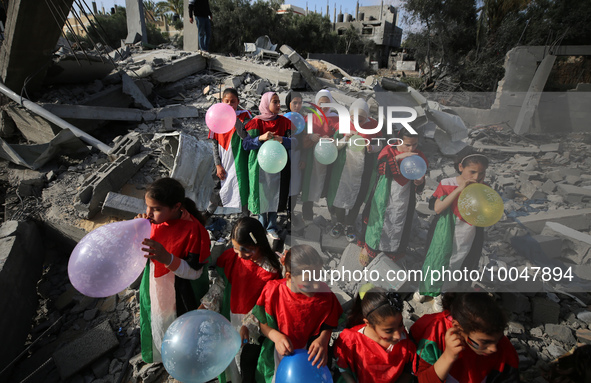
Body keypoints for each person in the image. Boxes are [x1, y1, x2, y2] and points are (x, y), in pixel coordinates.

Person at [135, 177, 211, 363]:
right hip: (155, 286)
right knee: (159, 323)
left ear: (177, 207)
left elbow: (195, 273)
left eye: (156, 209)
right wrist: (137, 230)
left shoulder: (194, 230)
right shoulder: (152, 222)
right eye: (147, 207)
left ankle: (188, 364)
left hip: (182, 294)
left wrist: (167, 258)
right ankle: (167, 358)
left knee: (185, 334)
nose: (149, 213)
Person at [200, 217, 282, 382]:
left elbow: (265, 304)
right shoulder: (232, 258)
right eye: (236, 249)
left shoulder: (269, 270)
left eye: (245, 250)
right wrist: (206, 304)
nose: (240, 255)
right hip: (229, 317)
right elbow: (221, 285)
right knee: (229, 357)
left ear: (258, 244)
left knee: (247, 360)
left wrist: (248, 324)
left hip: (254, 324)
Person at [253, 244, 343, 383]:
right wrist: (276, 337)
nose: (315, 286)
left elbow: (328, 321)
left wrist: (323, 339)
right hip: (278, 352)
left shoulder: (323, 294)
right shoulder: (274, 292)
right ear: (289, 276)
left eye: (318, 279)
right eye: (308, 283)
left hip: (310, 353)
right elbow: (263, 324)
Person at [418, 153, 489, 309]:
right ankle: (427, 288)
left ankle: (442, 294)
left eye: (482, 173)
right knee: (436, 259)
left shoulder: (483, 188)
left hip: (468, 232)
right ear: (460, 167)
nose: (477, 177)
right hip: (445, 229)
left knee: (458, 262)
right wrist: (459, 189)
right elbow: (438, 208)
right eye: (472, 172)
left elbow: (485, 213)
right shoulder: (447, 183)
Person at [411, 293, 519, 383]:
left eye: (498, 339)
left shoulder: (502, 346)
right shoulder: (433, 335)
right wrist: (448, 357)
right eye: (485, 342)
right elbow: (419, 380)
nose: (493, 349)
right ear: (458, 327)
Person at [359, 129, 428, 266]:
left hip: (404, 196)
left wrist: (420, 182)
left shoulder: (418, 156)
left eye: (414, 145)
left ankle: (392, 252)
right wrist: (398, 158)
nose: (411, 148)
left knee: (398, 222)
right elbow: (381, 168)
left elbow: (420, 176)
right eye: (407, 145)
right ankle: (369, 248)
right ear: (398, 140)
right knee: (378, 220)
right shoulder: (389, 151)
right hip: (384, 193)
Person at [334, 285, 416, 383]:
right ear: (368, 323)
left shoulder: (403, 338)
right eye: (388, 331)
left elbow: (408, 370)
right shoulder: (351, 341)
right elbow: (343, 368)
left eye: (401, 324)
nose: (398, 335)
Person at [327, 99, 382, 242]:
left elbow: (380, 144)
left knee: (357, 197)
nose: (358, 121)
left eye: (361, 119)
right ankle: (339, 222)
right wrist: (345, 138)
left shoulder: (373, 126)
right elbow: (335, 146)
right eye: (354, 118)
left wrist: (372, 148)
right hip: (344, 168)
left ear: (367, 116)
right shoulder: (343, 125)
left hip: (364, 169)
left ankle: (350, 223)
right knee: (340, 194)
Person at [243, 92, 292, 240]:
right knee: (262, 194)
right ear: (266, 103)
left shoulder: (285, 122)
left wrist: (282, 139)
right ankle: (260, 225)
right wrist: (260, 138)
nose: (278, 105)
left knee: (275, 195)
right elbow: (246, 144)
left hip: (279, 166)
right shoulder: (255, 123)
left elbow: (295, 142)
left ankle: (271, 226)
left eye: (278, 102)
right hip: (260, 167)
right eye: (275, 102)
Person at [206, 88, 252, 220]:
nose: (230, 104)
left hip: (240, 160)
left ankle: (245, 217)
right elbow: (214, 143)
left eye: (233, 102)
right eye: (227, 101)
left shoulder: (245, 116)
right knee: (219, 187)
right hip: (223, 161)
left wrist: (235, 119)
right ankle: (207, 214)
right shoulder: (216, 116)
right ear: (222, 102)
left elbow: (245, 137)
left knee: (243, 186)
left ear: (238, 102)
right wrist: (218, 164)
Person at [300, 89, 340, 221]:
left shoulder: (335, 119)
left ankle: (333, 212)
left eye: (327, 103)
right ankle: (307, 212)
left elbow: (340, 135)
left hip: (329, 157)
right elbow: (302, 135)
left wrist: (332, 139)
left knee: (328, 183)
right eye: (321, 103)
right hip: (312, 156)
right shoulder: (310, 118)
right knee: (309, 184)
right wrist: (310, 137)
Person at [278, 90, 304, 215]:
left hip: (297, 157)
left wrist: (304, 159)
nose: (297, 106)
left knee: (295, 186)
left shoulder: (303, 120)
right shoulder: (282, 119)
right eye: (294, 103)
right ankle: (280, 210)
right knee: (283, 184)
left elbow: (305, 143)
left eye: (300, 103)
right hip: (284, 157)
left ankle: (290, 211)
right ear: (288, 103)